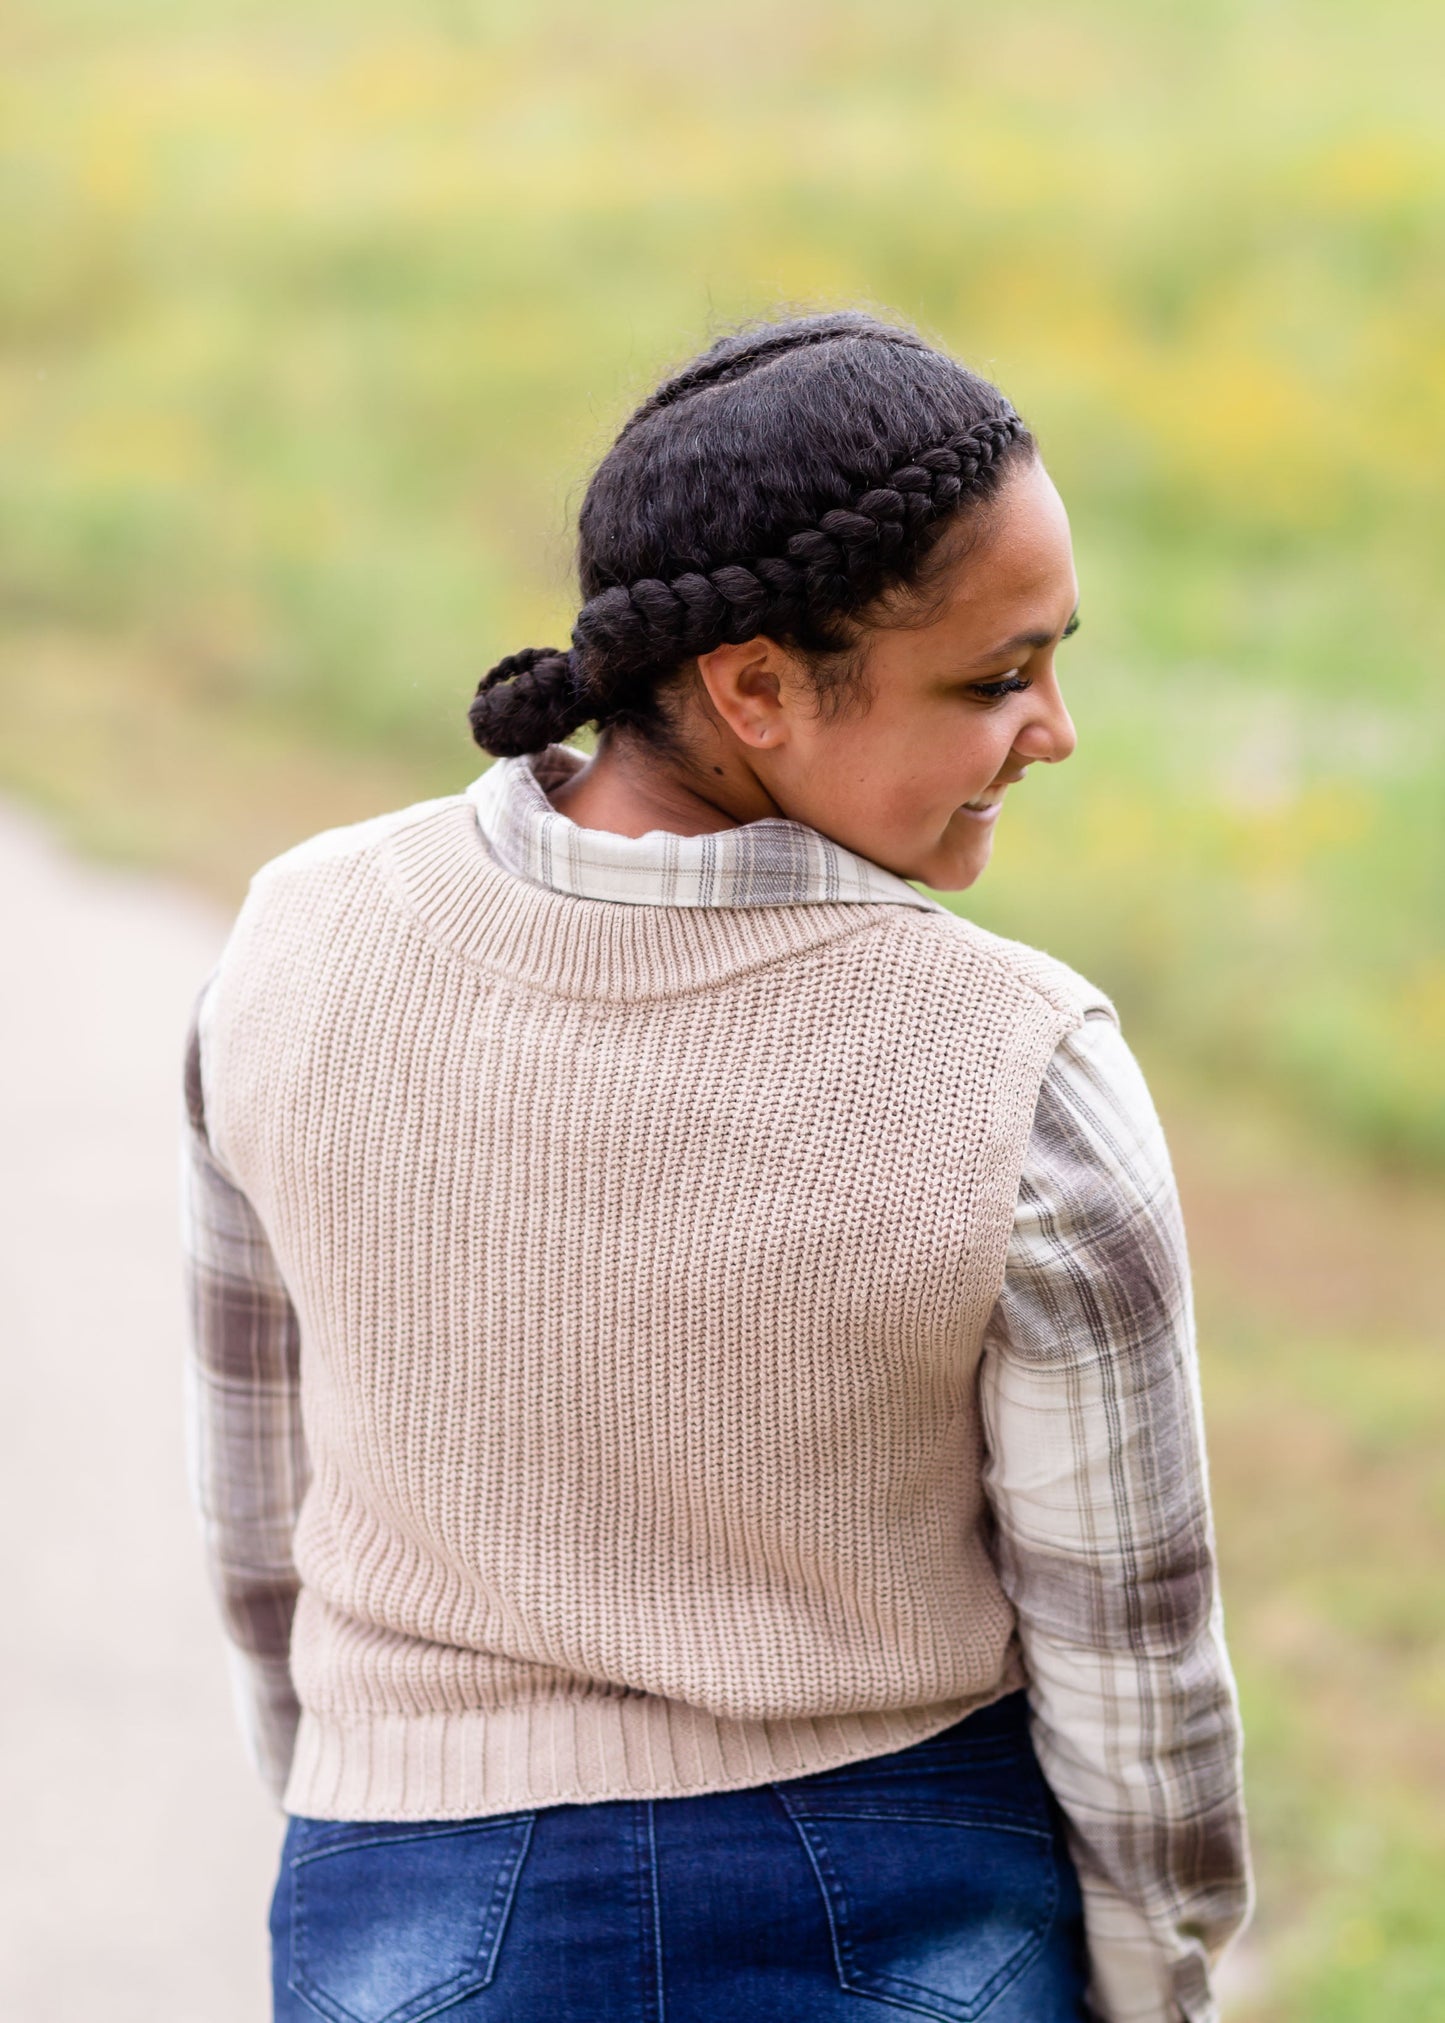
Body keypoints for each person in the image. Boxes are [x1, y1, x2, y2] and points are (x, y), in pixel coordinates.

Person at [181, 311, 1252, 2023]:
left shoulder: (300, 944)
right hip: (910, 1903)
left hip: (410, 1894)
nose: (1054, 728)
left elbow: (263, 1518)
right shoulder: (1016, 1066)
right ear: (752, 684)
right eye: (992, 679)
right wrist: (1157, 1986)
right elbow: (1128, 1648)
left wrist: (358, 1825)